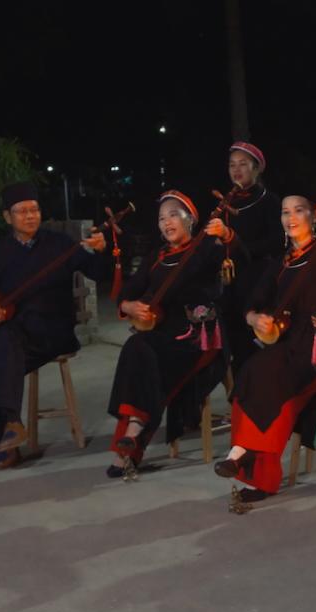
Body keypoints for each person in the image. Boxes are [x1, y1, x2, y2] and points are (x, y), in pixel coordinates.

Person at [213, 192, 316, 503]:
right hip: (288, 345)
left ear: (315, 214)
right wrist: (256, 318)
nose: (291, 218)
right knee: (252, 372)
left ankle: (246, 455)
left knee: (269, 375)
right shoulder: (278, 264)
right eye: (285, 212)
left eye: (298, 210)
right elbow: (252, 303)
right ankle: (249, 463)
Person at [0, 181, 110, 470]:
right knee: (3, 348)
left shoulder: (59, 244)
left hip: (56, 331)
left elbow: (98, 272)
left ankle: (9, 437)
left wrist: (102, 250)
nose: (30, 216)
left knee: (1, 356)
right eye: (22, 211)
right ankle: (13, 425)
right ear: (7, 217)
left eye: (35, 209)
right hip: (20, 335)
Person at [105, 190, 230, 477]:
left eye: (174, 214)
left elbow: (220, 258)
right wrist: (128, 305)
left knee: (144, 355)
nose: (167, 222)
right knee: (139, 350)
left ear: (191, 220)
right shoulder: (157, 256)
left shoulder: (206, 248)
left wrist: (223, 234)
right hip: (162, 335)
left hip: (199, 337)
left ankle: (128, 444)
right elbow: (127, 291)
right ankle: (133, 432)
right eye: (162, 217)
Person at [209, 141, 282, 375]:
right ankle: (241, 396)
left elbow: (277, 242)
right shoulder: (226, 202)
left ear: (256, 168)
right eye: (232, 165)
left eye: (243, 164)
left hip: (258, 280)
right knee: (232, 338)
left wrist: (237, 244)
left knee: (256, 341)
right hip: (229, 282)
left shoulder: (269, 200)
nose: (236, 170)